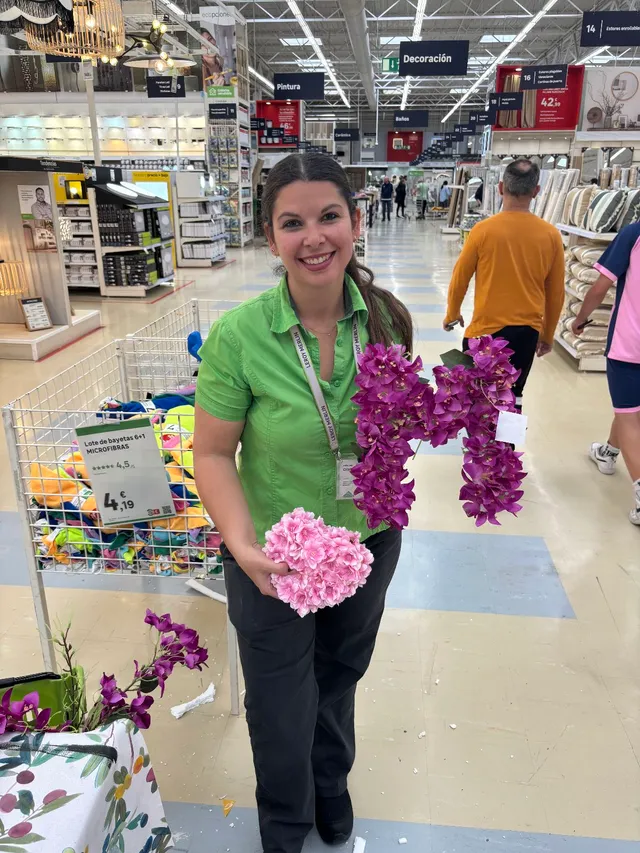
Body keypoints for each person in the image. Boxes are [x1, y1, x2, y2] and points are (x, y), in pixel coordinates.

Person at [193, 153, 412, 853]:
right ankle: (286, 813)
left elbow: (397, 432)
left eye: (329, 216)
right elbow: (212, 453)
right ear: (270, 236)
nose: (314, 237)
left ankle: (330, 782)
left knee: (340, 675)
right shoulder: (240, 335)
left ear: (356, 221)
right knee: (279, 691)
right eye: (293, 223)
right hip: (272, 555)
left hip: (367, 540)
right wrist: (241, 546)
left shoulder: (388, 320)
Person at [443, 159, 564, 411]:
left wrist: (452, 313)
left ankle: (481, 438)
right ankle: (508, 437)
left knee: (479, 401)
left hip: (485, 333)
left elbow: (460, 277)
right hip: (526, 333)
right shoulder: (551, 235)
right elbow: (555, 293)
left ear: (500, 188)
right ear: (536, 191)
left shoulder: (483, 231)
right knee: (513, 396)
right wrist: (547, 334)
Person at [571, 221, 640, 525]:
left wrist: (580, 319)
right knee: (629, 409)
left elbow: (600, 287)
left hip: (630, 344)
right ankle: (608, 452)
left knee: (629, 416)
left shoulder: (634, 233)